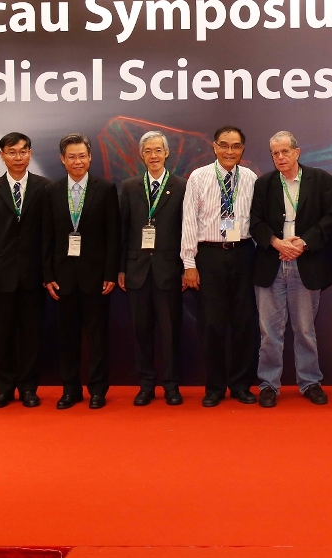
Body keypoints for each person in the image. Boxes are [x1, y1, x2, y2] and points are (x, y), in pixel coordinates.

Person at [250, 131, 332, 407]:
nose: (280, 157)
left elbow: (331, 217)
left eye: (284, 152)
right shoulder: (264, 183)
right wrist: (277, 243)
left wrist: (303, 242)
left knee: (304, 329)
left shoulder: (321, 179)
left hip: (306, 262)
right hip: (271, 264)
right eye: (275, 153)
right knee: (269, 331)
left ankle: (310, 382)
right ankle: (268, 385)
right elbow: (255, 221)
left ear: (297, 152)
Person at [181, 125, 260, 407]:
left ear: (242, 149)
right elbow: (189, 220)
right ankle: (214, 386)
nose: (229, 151)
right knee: (212, 324)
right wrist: (189, 263)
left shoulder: (250, 177)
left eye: (235, 146)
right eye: (224, 145)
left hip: (243, 254)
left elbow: (258, 220)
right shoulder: (200, 177)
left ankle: (240, 385)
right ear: (214, 147)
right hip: (209, 255)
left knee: (244, 323)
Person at [41, 134, 120, 409]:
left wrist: (111, 272)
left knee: (98, 337)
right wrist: (48, 275)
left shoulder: (106, 188)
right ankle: (70, 389)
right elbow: (47, 237)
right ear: (63, 159)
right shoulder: (51, 191)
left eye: (82, 156)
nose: (78, 161)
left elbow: (113, 235)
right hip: (63, 278)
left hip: (97, 278)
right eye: (72, 157)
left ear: (90, 158)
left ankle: (98, 390)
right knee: (67, 337)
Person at [0, 133, 49, 408]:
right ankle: (4, 388)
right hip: (0, 277)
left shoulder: (46, 188)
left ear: (30, 153)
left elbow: (51, 236)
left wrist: (49, 273)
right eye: (12, 152)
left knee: (32, 335)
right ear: (2, 155)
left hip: (35, 276)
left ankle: (29, 388)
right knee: (2, 335)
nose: (18, 157)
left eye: (23, 151)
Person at [118, 131, 188, 406]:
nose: (154, 156)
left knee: (171, 333)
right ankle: (146, 385)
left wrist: (187, 268)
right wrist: (121, 268)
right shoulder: (130, 186)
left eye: (159, 150)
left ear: (167, 153)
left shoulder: (182, 186)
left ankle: (172, 386)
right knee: (142, 332)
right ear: (141, 155)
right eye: (148, 151)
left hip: (169, 271)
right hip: (137, 272)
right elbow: (123, 230)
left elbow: (187, 230)